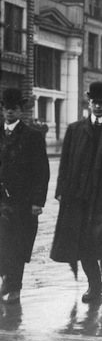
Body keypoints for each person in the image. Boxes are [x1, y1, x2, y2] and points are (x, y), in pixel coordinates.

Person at [50, 81, 102, 303]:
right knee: (83, 243)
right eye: (94, 102)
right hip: (79, 196)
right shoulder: (75, 129)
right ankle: (94, 286)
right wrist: (60, 190)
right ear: (89, 102)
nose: (98, 107)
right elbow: (65, 162)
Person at [0, 88, 50, 304]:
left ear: (21, 111)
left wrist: (38, 202)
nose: (10, 112)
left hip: (22, 201)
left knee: (17, 245)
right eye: (6, 108)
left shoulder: (32, 137)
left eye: (14, 109)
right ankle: (8, 280)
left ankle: (14, 288)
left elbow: (42, 171)